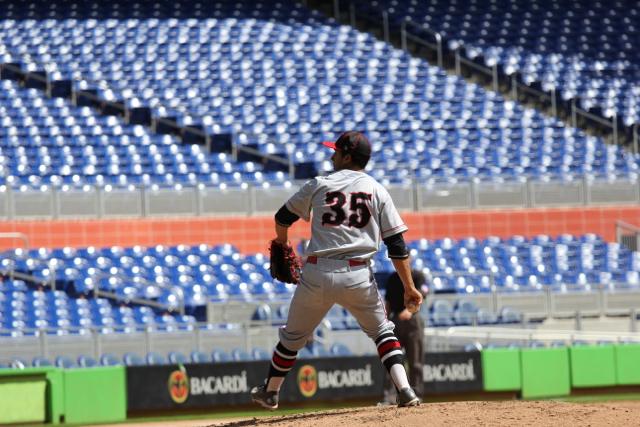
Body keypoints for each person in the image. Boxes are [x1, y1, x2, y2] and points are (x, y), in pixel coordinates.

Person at [250, 131, 424, 410]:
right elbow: (397, 244)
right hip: (358, 274)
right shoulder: (377, 189)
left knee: (292, 337)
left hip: (318, 273)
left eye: (336, 151)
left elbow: (282, 217)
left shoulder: (319, 184)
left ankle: (270, 392)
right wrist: (409, 287)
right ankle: (405, 390)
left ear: (347, 156)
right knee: (382, 332)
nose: (332, 155)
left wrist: (283, 243)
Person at [380, 270, 428, 405]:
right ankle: (388, 398)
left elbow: (422, 294)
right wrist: (385, 319)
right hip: (395, 321)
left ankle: (417, 395)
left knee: (415, 361)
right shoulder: (392, 278)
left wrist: (409, 311)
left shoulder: (418, 276)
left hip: (413, 320)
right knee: (392, 359)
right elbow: (388, 301)